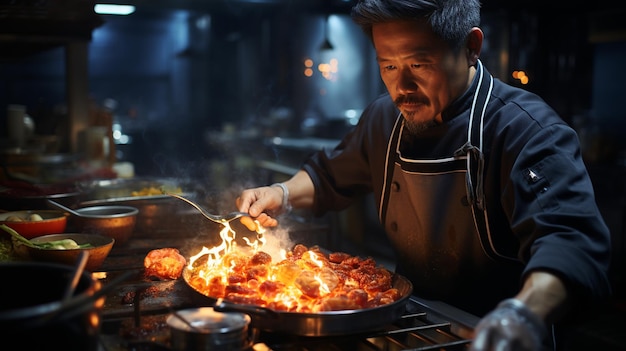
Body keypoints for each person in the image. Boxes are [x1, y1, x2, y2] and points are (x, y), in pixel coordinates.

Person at [236, 0, 612, 349]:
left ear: (471, 47)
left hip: (498, 336)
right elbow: (330, 174)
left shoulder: (525, 130)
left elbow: (570, 242)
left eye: (420, 64)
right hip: (406, 325)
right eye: (388, 66)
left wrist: (522, 313)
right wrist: (281, 192)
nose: (402, 87)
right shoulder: (384, 119)